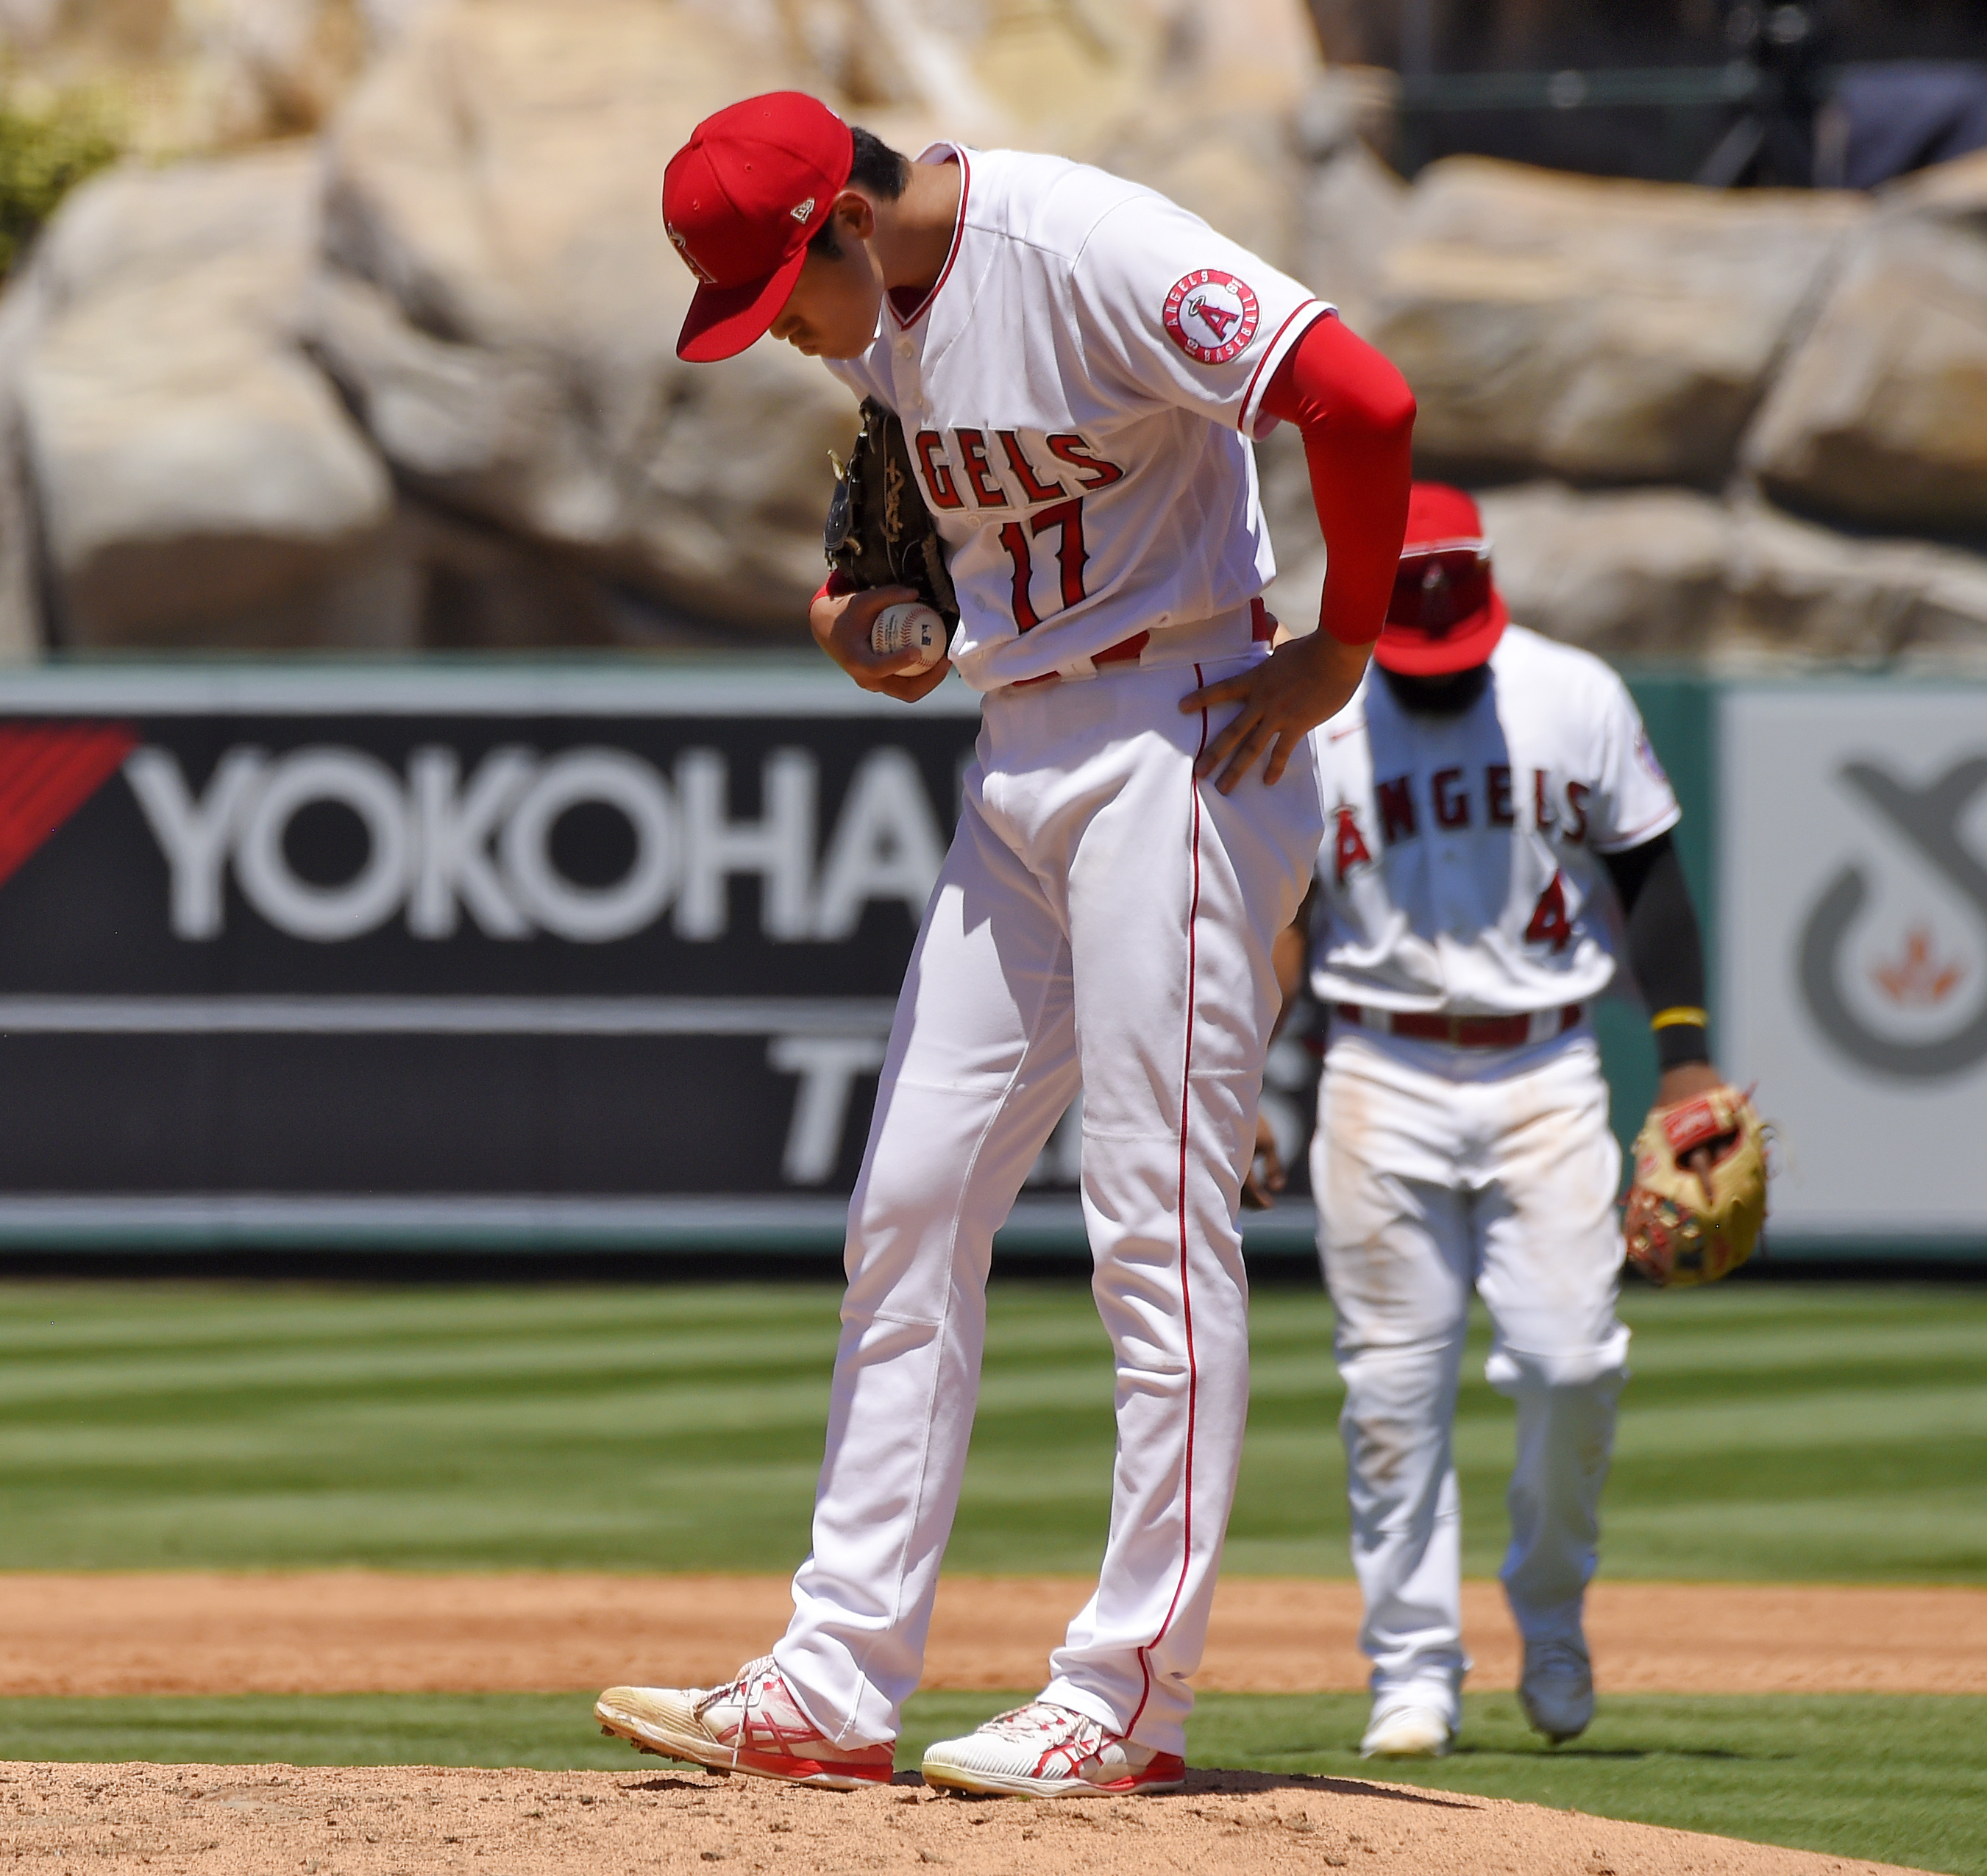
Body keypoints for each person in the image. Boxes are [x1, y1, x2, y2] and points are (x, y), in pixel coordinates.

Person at [594, 91, 1414, 1797]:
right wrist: (869, 621)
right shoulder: (878, 326)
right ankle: (830, 1680)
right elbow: (888, 561)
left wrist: (1340, 645)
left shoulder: (1082, 246)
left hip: (1182, 736)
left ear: (837, 215)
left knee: (1149, 1232)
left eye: (778, 293)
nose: (780, 335)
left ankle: (1128, 1695)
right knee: (905, 1204)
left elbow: (1358, 394)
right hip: (1018, 753)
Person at [1267, 482, 1728, 1758]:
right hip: (1378, 1070)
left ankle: (1552, 1609)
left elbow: (1650, 879)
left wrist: (1684, 1062)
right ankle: (1412, 1669)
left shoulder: (1572, 693)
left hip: (1547, 1070)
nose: (1431, 670)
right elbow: (1279, 919)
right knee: (1392, 1392)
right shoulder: (1318, 704)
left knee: (1574, 1362)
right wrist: (1245, 1075)